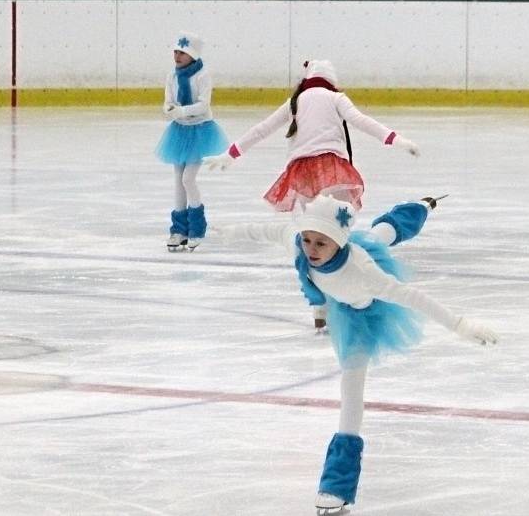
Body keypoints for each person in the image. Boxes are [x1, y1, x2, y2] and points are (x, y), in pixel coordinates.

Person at [213, 194, 498, 515]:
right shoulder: (301, 243)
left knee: (351, 390)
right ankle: (419, 205)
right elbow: (267, 231)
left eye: (320, 243)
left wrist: (460, 325)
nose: (310, 249)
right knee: (379, 235)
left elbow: (412, 297)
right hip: (344, 303)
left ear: (337, 242)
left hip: (365, 313)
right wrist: (233, 231)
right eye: (308, 240)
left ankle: (336, 484)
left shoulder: (362, 269)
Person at [204, 58, 419, 326]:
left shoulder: (297, 100)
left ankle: (319, 306)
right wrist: (396, 139)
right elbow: (361, 121)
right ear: (331, 80)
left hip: (302, 174)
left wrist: (230, 154)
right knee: (337, 234)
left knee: (310, 238)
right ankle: (349, 292)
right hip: (332, 169)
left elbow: (262, 129)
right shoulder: (334, 97)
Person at [156, 31, 229, 252]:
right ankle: (178, 230)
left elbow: (203, 105)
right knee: (178, 179)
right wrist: (169, 110)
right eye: (176, 51)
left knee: (189, 179)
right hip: (180, 132)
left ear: (193, 55)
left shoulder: (203, 75)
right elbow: (168, 100)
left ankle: (197, 227)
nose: (177, 56)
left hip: (201, 132)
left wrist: (180, 111)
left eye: (183, 52)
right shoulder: (172, 75)